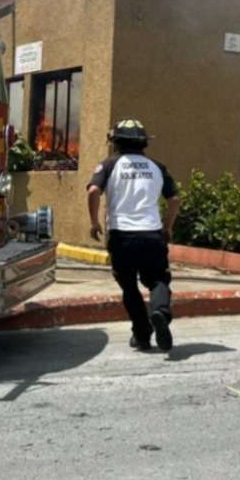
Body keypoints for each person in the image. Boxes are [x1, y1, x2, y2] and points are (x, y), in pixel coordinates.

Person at [87, 118, 181, 353]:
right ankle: (159, 311)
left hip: (121, 236)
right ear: (144, 143)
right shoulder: (157, 167)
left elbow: (93, 190)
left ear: (116, 142)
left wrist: (94, 222)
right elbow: (174, 199)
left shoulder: (109, 165)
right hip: (151, 233)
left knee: (129, 288)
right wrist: (167, 227)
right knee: (158, 280)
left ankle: (142, 334)